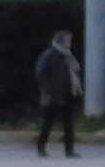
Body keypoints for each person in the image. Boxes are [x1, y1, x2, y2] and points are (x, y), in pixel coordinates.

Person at [35, 30, 83, 158]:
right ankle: (41, 147)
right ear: (61, 42)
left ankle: (69, 149)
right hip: (53, 96)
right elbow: (41, 73)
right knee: (48, 122)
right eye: (68, 41)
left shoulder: (67, 56)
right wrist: (50, 90)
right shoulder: (50, 55)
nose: (70, 43)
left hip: (67, 95)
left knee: (68, 123)